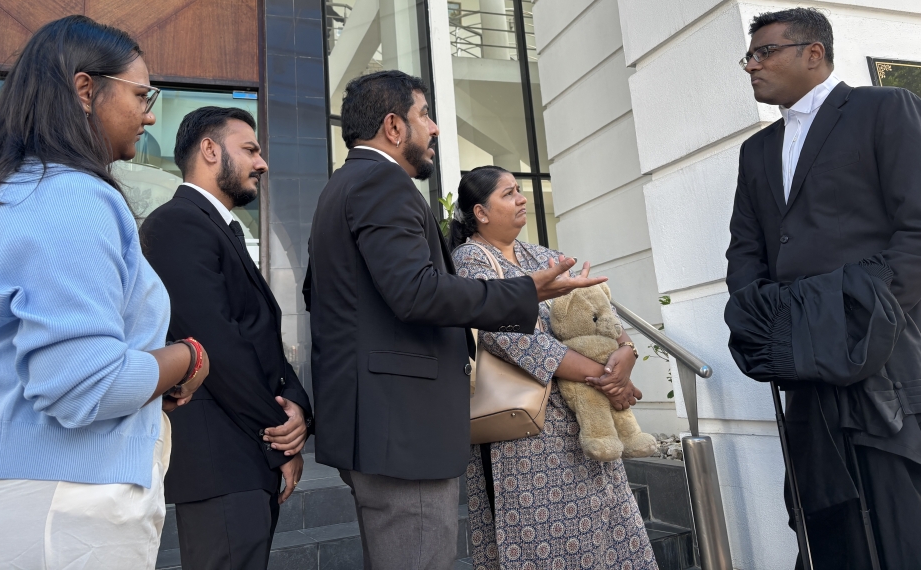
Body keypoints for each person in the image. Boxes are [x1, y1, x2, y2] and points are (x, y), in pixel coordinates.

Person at [0, 15, 209, 569]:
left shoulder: (2, 194)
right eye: (142, 94)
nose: (149, 114)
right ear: (85, 89)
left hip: (4, 500)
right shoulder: (68, 195)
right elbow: (85, 386)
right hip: (56, 507)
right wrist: (188, 358)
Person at [303, 70, 606, 570]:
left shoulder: (342, 186)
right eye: (425, 115)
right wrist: (525, 289)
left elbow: (328, 298)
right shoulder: (382, 182)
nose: (436, 128)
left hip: (377, 424)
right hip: (402, 428)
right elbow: (415, 293)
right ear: (394, 127)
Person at [724, 7, 921, 569]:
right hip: (803, 363)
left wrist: (864, 315)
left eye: (765, 53)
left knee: (897, 516)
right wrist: (767, 321)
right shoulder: (756, 151)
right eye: (749, 55)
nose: (752, 66)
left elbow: (917, 226)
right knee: (825, 517)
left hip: (883, 353)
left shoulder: (882, 109)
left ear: (814, 53)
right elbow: (746, 250)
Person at [450, 166, 656, 570]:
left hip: (584, 420)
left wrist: (626, 350)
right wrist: (605, 377)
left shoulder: (540, 256)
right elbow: (506, 336)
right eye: (508, 194)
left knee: (608, 533)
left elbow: (598, 309)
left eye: (519, 190)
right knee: (542, 546)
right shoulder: (470, 259)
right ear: (481, 212)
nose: (522, 199)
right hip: (525, 433)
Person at [140, 107, 312, 570]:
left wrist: (298, 407)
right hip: (221, 458)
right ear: (210, 150)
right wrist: (280, 439)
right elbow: (216, 343)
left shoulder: (221, 229)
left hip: (244, 456)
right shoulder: (176, 224)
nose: (262, 163)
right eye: (250, 149)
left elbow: (260, 339)